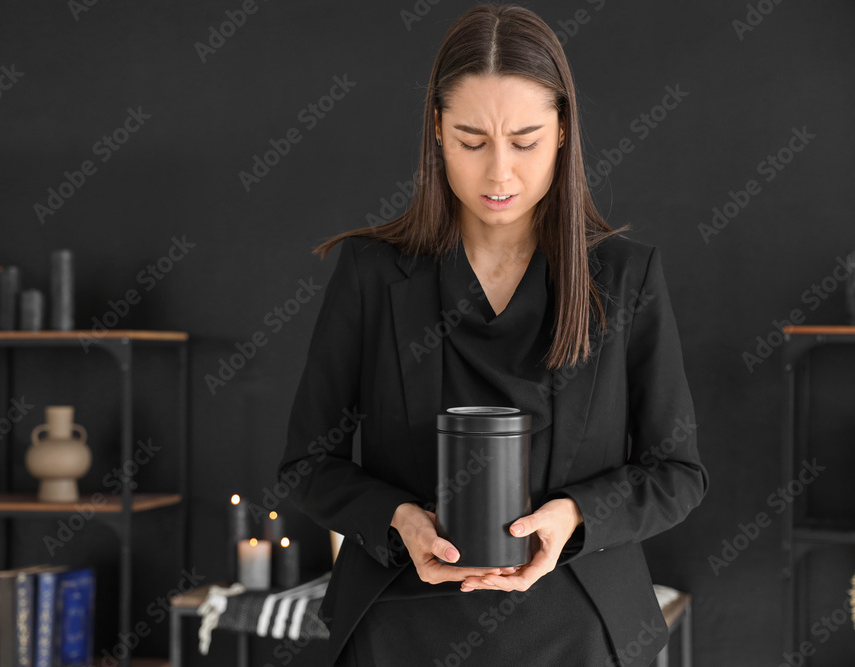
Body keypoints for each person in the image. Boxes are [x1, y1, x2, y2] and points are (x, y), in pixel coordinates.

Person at [276, 3, 708, 665]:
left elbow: (678, 473)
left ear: (563, 131)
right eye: (472, 141)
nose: (499, 172)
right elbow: (307, 464)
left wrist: (576, 514)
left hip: (579, 626)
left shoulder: (625, 277)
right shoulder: (370, 273)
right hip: (397, 621)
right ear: (438, 134)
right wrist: (397, 519)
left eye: (526, 139)